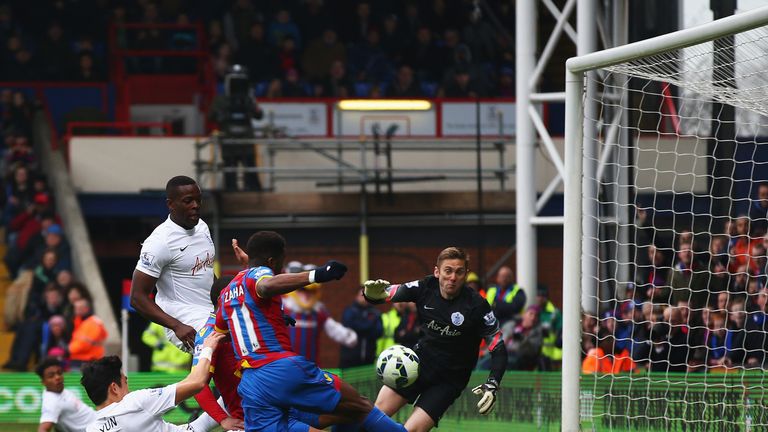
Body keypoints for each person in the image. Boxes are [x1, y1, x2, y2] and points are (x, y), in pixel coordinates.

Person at [215, 230, 407, 432]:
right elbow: (265, 285)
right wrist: (317, 274)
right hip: (281, 369)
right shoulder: (261, 275)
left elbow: (223, 332)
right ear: (273, 261)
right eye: (281, 262)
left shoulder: (227, 293)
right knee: (360, 406)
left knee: (340, 415)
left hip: (252, 384)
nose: (280, 268)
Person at [363, 247, 507, 431]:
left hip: (449, 380)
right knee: (375, 417)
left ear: (465, 274)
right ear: (437, 272)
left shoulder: (477, 305)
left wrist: (493, 383)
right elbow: (384, 294)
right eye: (448, 271)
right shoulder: (425, 287)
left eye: (459, 272)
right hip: (416, 365)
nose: (453, 277)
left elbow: (498, 347)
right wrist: (370, 294)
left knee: (412, 430)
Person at [131, 175, 216, 352]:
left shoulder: (202, 227)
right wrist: (176, 326)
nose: (196, 205)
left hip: (211, 312)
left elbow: (206, 272)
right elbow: (137, 297)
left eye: (198, 200)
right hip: (185, 321)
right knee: (225, 350)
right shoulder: (159, 242)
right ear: (170, 204)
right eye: (188, 201)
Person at [80, 333, 225, 432]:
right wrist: (207, 348)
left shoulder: (92, 428)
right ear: (114, 388)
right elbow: (197, 382)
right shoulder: (134, 403)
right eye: (125, 381)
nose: (128, 387)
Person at [36, 357, 95, 432]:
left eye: (59, 373)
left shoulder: (60, 391)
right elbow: (43, 429)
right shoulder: (52, 402)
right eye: (51, 376)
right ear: (43, 382)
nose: (57, 377)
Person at [340, 288, 382, 367]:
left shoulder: (375, 312)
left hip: (369, 356)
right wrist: (369, 324)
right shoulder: (350, 311)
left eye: (366, 296)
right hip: (350, 357)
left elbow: (379, 331)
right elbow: (350, 327)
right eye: (362, 295)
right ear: (356, 296)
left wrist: (363, 327)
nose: (364, 298)